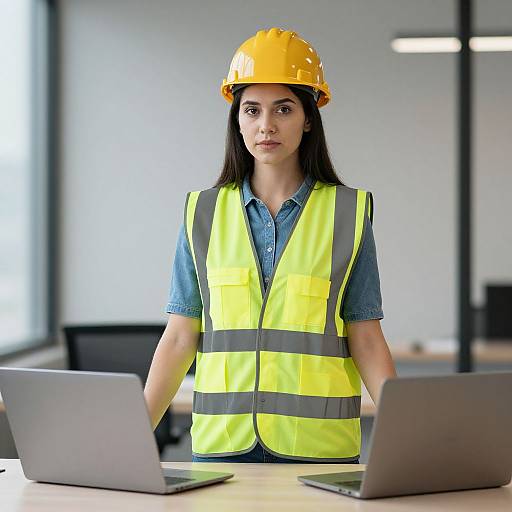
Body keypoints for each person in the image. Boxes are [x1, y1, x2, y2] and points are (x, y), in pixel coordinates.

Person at [144, 27, 396, 464]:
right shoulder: (201, 213)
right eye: (252, 110)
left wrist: (408, 434)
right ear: (237, 119)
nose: (266, 126)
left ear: (308, 118)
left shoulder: (348, 213)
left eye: (284, 108)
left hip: (318, 451)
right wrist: (129, 435)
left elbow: (366, 338)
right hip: (223, 447)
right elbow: (181, 336)